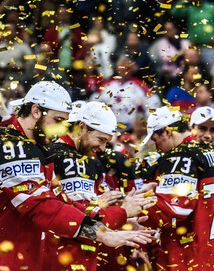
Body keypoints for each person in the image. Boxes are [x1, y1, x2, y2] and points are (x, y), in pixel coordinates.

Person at [0, 81, 154, 269]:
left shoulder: (36, 148)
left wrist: (114, 217)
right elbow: (42, 206)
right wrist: (102, 232)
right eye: (57, 121)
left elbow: (62, 202)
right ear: (35, 111)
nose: (62, 129)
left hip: (25, 255)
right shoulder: (14, 146)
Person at [42, 101, 156, 271]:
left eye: (106, 142)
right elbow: (76, 215)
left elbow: (94, 209)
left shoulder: (91, 162)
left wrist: (125, 218)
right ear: (82, 127)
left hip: (86, 252)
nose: (102, 148)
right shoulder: (60, 156)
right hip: (62, 254)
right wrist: (122, 211)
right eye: (101, 139)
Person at [139, 106, 214, 270]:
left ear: (167, 131)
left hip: (189, 256)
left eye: (155, 139)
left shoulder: (181, 155)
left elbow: (175, 210)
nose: (157, 146)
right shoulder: (210, 149)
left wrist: (134, 209)